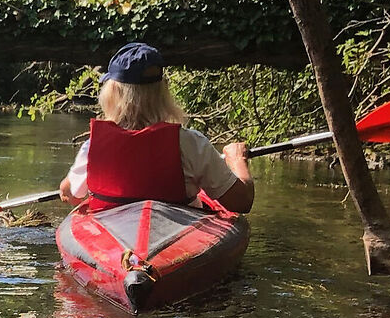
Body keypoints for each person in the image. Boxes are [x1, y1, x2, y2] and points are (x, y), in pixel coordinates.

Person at [57, 43, 255, 214]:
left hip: (115, 241)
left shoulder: (93, 146)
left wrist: (69, 187)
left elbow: (71, 195)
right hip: (178, 235)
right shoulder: (191, 143)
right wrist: (237, 160)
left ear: (112, 93)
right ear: (163, 92)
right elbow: (242, 202)